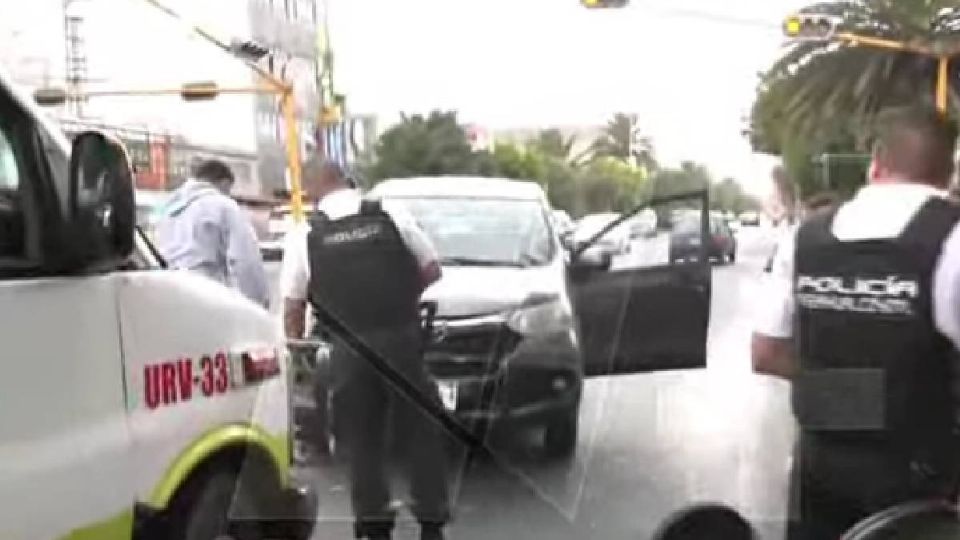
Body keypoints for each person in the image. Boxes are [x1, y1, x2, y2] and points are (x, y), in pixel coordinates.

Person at [752, 104, 960, 540]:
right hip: (922, 488)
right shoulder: (951, 237)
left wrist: (848, 394)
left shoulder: (804, 238)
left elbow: (766, 353)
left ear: (876, 165)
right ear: (948, 172)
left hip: (819, 470)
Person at [280, 157, 448, 540]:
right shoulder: (389, 213)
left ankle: (373, 525)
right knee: (420, 431)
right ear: (346, 179)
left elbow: (293, 305)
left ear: (311, 190)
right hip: (401, 339)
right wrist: (400, 298)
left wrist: (300, 355)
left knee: (360, 439)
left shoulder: (306, 233)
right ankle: (431, 521)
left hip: (347, 348)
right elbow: (432, 269)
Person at [156, 159, 269, 307]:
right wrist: (257, 304)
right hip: (210, 299)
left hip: (172, 298)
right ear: (224, 183)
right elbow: (246, 261)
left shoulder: (167, 212)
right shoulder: (224, 206)